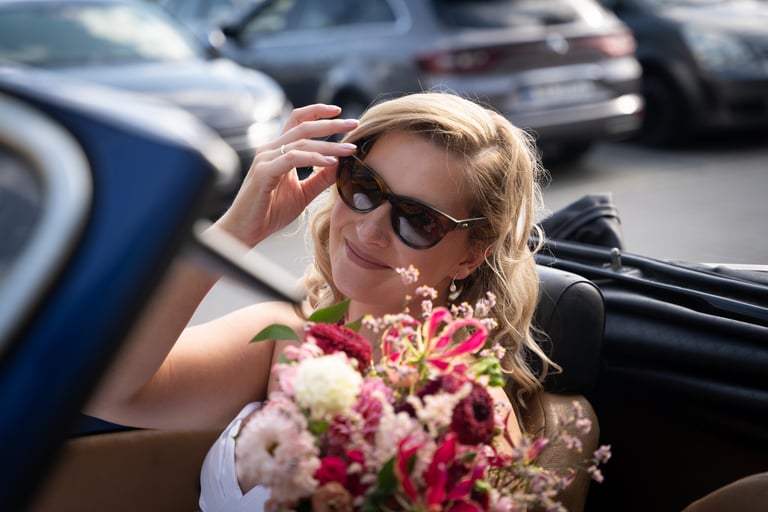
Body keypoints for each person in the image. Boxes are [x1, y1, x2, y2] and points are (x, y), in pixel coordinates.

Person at [84, 91, 557, 509]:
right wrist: (235, 232)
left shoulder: (462, 409)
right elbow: (102, 387)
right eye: (364, 186)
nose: (369, 230)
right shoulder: (286, 333)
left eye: (419, 220)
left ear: (471, 256)